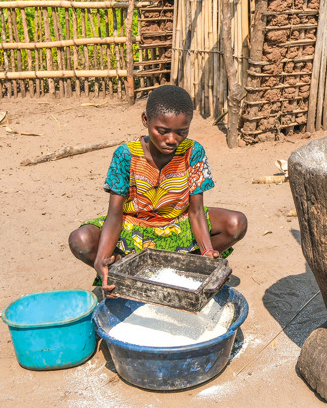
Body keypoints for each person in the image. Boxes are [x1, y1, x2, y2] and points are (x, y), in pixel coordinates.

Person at [68, 85, 248, 293]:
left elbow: (196, 211)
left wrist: (207, 250)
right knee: (81, 240)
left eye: (182, 132)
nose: (172, 139)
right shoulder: (125, 155)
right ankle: (123, 267)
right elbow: (115, 215)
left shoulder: (193, 151)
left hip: (177, 224)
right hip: (133, 227)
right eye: (162, 131)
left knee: (236, 223)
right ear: (145, 120)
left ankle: (185, 271)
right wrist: (101, 258)